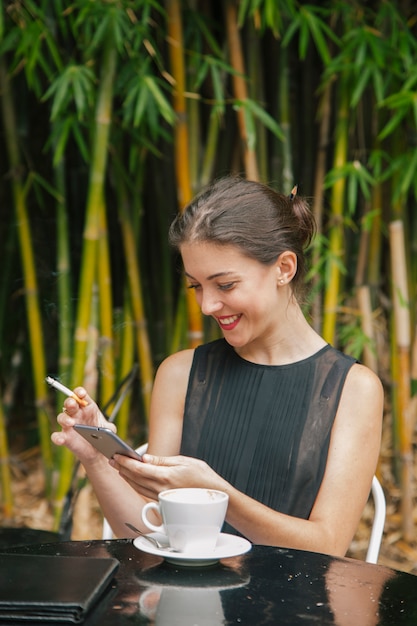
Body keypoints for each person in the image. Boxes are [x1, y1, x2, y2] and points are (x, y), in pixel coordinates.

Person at [52, 176, 383, 556]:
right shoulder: (179, 374)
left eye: (224, 285)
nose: (206, 306)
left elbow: (327, 547)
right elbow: (151, 531)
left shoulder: (352, 389)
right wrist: (96, 460)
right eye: (196, 287)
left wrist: (217, 493)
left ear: (284, 268)